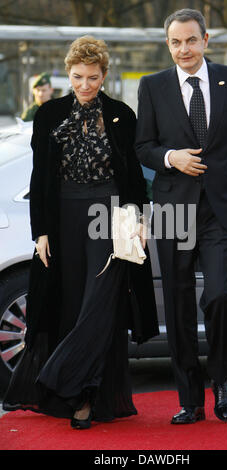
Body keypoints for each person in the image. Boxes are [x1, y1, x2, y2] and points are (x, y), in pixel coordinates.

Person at [3, 36, 158, 430]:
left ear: (104, 75)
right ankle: (79, 393)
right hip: (64, 219)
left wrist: (139, 218)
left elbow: (135, 177)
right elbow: (40, 178)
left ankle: (66, 382)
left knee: (101, 304)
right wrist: (41, 233)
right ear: (67, 74)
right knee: (71, 305)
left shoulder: (122, 114)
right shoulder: (48, 114)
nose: (85, 84)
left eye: (93, 77)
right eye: (77, 77)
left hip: (110, 217)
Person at [135, 8, 227, 423]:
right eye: (175, 42)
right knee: (176, 306)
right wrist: (171, 157)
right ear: (168, 44)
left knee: (221, 296)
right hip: (174, 210)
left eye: (191, 40)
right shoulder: (153, 86)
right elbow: (143, 148)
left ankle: (222, 383)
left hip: (222, 210)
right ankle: (189, 400)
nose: (183, 49)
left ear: (206, 40)